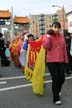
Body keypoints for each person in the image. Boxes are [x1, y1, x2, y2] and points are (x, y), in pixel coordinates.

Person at [42, 22, 68, 105]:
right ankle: (56, 98)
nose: (56, 29)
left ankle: (57, 90)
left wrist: (66, 60)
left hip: (60, 60)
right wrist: (48, 37)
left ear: (60, 28)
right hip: (51, 61)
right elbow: (46, 47)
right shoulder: (47, 36)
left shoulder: (61, 37)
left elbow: (64, 49)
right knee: (55, 79)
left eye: (58, 27)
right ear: (52, 27)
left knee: (62, 79)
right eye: (54, 27)